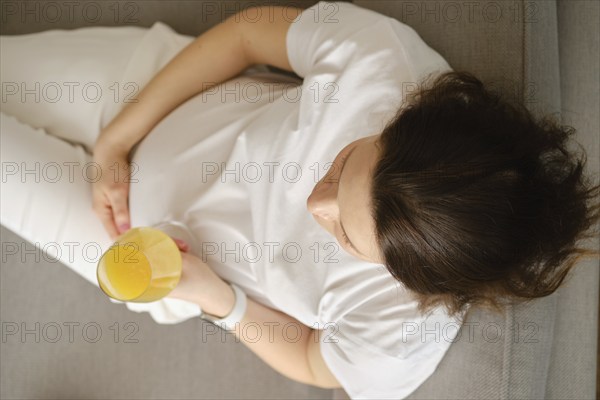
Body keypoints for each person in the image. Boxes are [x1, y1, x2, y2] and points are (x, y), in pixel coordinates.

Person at [1, 2, 598, 399]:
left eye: (344, 235)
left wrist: (218, 299)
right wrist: (117, 140)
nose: (318, 205)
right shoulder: (384, 66)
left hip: (140, 246)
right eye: (342, 167)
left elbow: (316, 362)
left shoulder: (401, 336)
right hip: (143, 93)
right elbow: (246, 33)